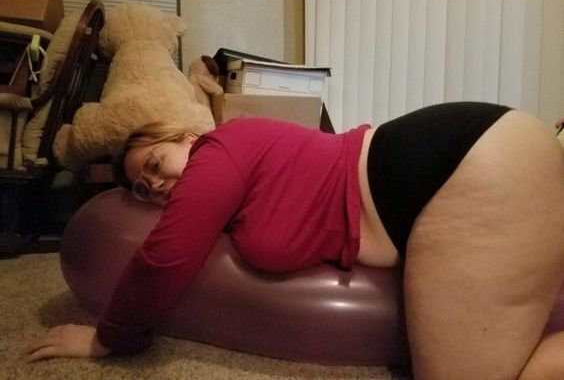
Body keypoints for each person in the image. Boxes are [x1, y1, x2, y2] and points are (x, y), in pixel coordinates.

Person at [24, 102, 564, 380]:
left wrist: (108, 339)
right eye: (146, 189)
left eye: (155, 163)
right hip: (456, 173)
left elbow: (167, 255)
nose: (158, 185)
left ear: (187, 138)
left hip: (460, 164)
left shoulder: (220, 148)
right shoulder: (239, 187)